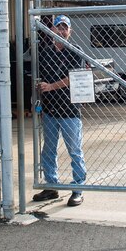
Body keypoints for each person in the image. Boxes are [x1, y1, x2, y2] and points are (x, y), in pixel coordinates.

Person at [32, 14, 87, 206]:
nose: (61, 31)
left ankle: (78, 189)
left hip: (70, 110)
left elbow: (74, 78)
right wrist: (41, 88)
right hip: (50, 110)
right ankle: (51, 186)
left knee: (74, 150)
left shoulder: (75, 51)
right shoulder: (45, 52)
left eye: (65, 28)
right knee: (48, 150)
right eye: (58, 28)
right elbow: (40, 76)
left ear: (70, 31)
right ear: (52, 30)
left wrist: (51, 87)